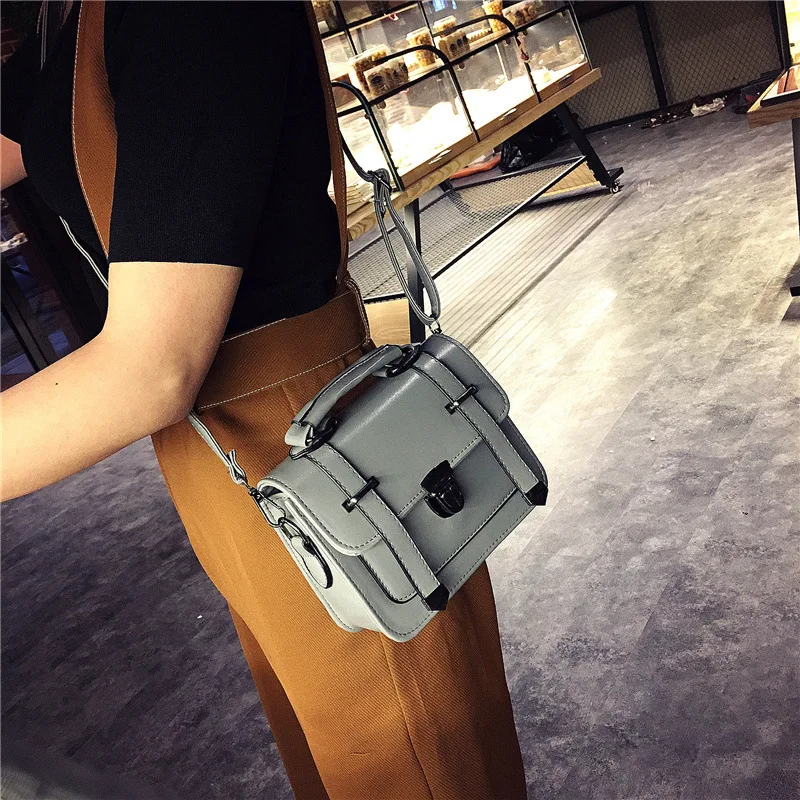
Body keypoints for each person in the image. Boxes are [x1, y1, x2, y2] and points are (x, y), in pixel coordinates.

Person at [0, 3, 527, 797]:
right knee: (342, 751)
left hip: (314, 446)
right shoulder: (66, 22)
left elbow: (151, 370)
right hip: (220, 451)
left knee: (406, 757)